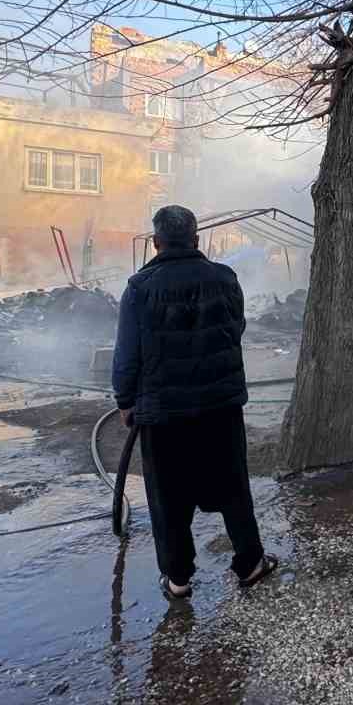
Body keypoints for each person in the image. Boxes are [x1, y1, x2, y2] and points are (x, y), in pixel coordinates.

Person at [112, 204, 279, 598]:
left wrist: (125, 401)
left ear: (156, 243)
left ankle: (179, 578)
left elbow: (126, 354)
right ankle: (251, 564)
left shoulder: (139, 288)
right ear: (196, 239)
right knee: (233, 487)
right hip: (220, 407)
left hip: (162, 414)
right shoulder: (225, 278)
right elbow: (234, 328)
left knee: (168, 498)